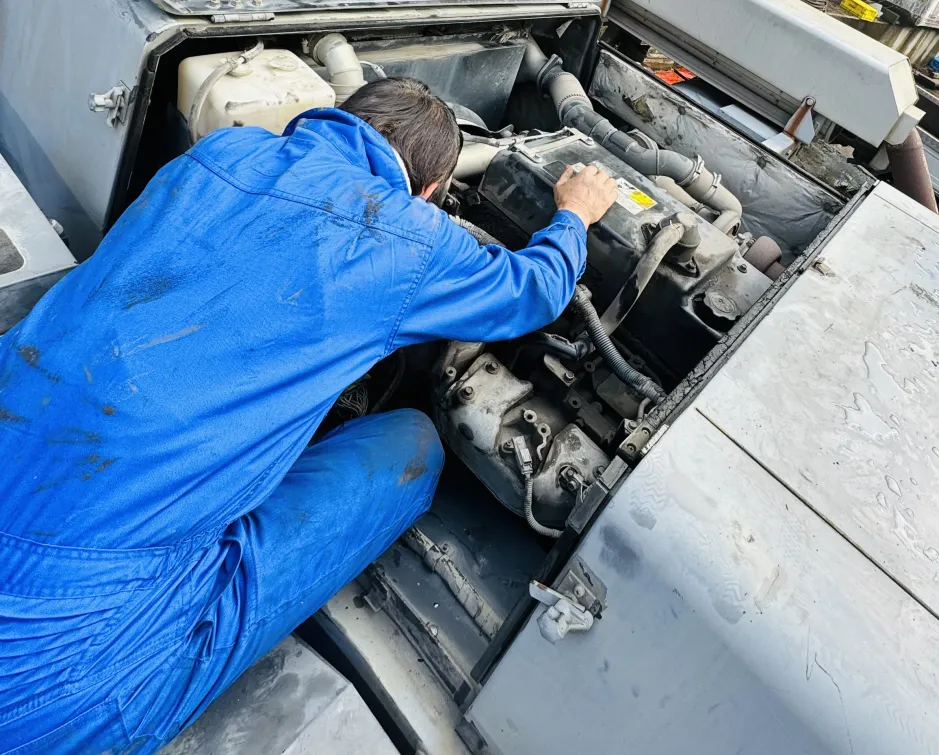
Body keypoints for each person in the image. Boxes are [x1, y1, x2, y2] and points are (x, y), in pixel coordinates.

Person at [0, 77, 618, 754]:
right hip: (55, 678)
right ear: (432, 193)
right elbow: (535, 291)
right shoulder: (410, 239)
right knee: (411, 444)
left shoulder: (222, 151)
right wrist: (574, 216)